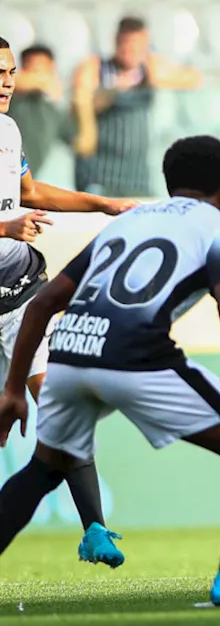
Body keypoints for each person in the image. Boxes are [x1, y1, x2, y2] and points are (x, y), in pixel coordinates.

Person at [0, 135, 220, 606]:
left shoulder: (133, 219)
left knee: (41, 470)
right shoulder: (218, 228)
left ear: (168, 181)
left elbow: (46, 302)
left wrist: (14, 388)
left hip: (70, 350)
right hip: (134, 353)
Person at [0, 35, 138, 566]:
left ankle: (95, 527)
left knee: (61, 406)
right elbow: (13, 212)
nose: (7, 81)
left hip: (17, 299)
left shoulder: (9, 132)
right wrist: (6, 224)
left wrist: (99, 204)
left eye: (11, 72)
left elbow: (29, 192)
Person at [73, 16, 203, 198]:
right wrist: (115, 91)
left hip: (136, 174)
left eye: (137, 46)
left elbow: (195, 79)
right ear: (116, 42)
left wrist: (158, 76)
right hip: (98, 172)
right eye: (125, 45)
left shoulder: (149, 69)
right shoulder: (95, 67)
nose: (130, 52)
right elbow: (82, 102)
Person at [9, 44, 75, 178]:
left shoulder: (53, 107)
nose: (37, 76)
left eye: (42, 69)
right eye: (32, 69)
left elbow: (79, 142)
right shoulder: (10, 98)